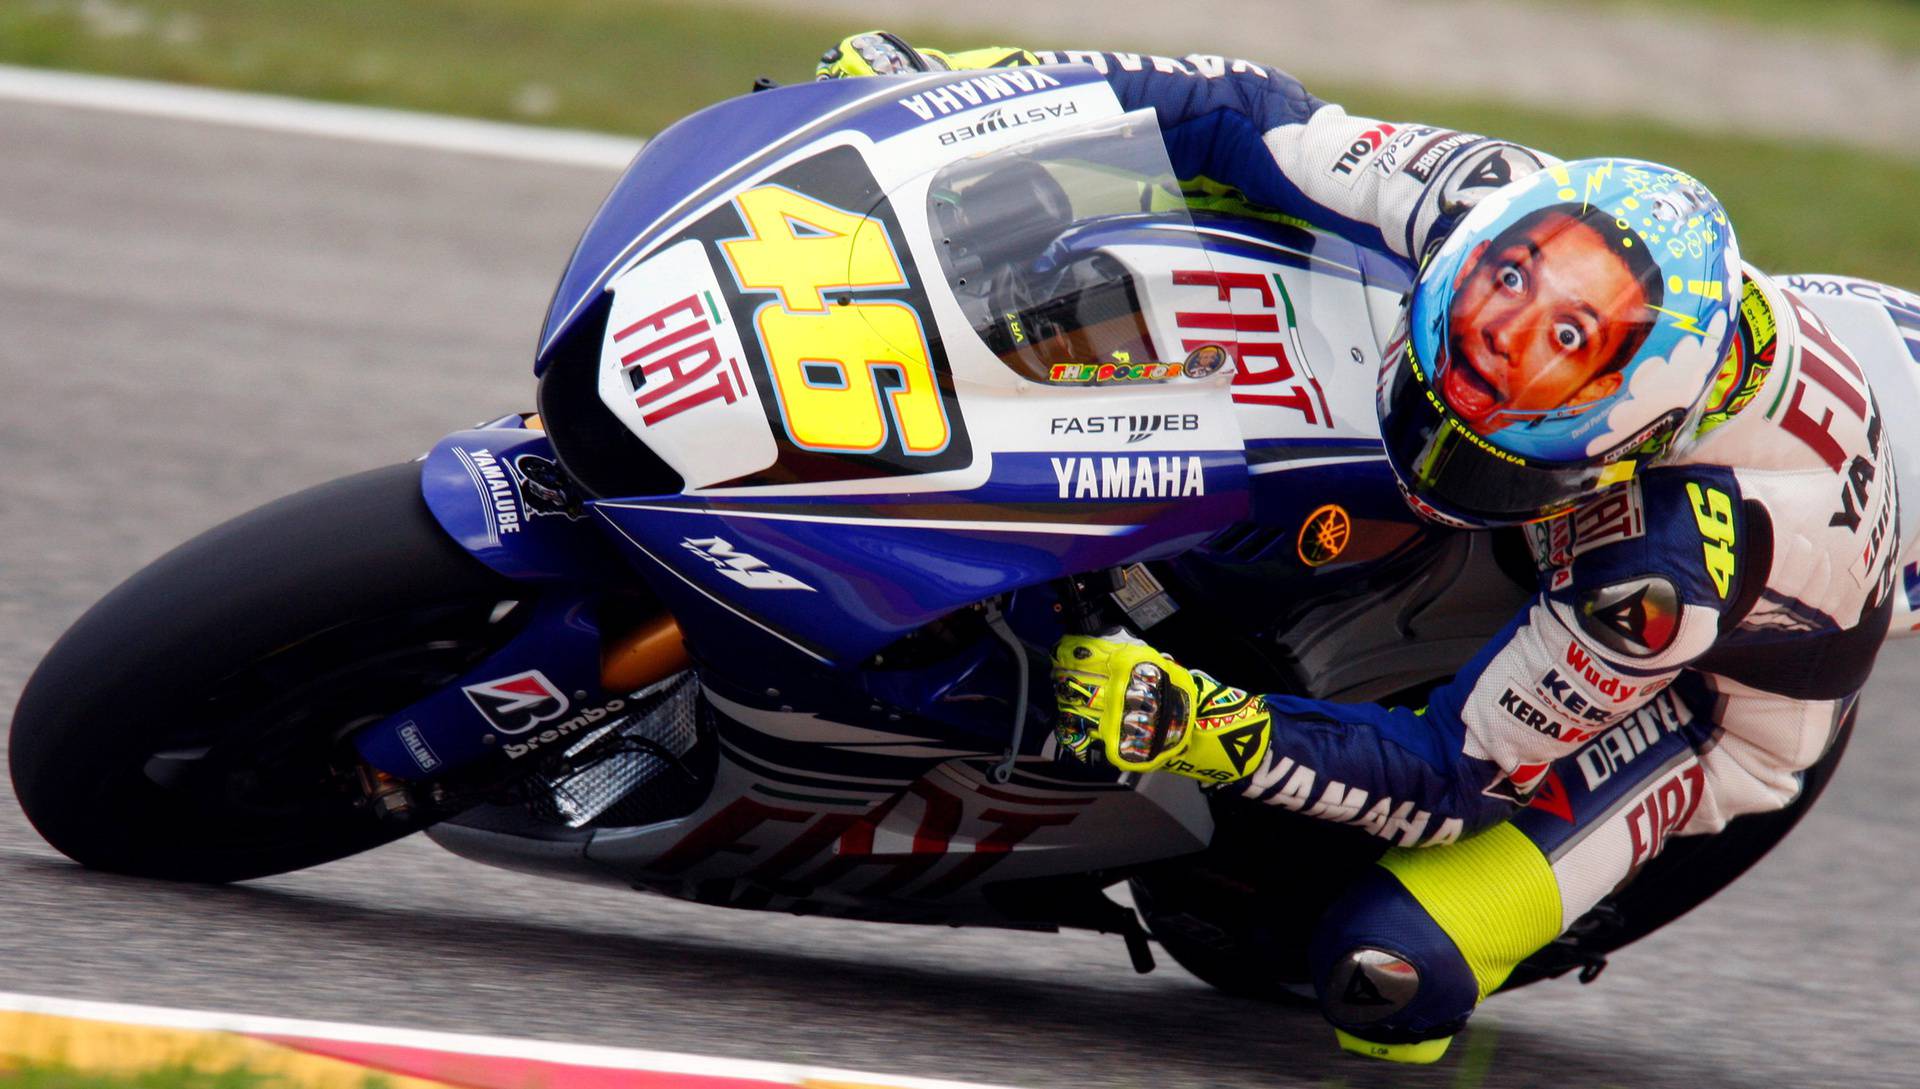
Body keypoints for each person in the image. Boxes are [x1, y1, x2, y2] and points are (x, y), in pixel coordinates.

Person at [820, 35, 1902, 1064]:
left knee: (1390, 971)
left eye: (1496, 448)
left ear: (1641, 442)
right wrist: (968, 97)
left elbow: (1452, 775)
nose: (1448, 433)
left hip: (1708, 708)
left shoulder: (1658, 574)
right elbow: (1245, 114)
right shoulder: (1496, 198)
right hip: (1723, 449)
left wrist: (1210, 727)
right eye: (1467, 356)